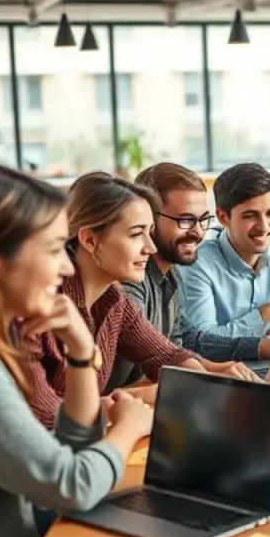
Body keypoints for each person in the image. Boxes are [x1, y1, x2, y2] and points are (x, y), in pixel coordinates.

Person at [0, 164, 153, 537]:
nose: (66, 268)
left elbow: (72, 448)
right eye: (51, 250)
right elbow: (73, 484)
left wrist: (81, 353)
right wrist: (128, 428)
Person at [21, 172, 206, 429]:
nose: (150, 248)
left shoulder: (114, 298)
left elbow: (164, 354)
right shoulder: (38, 309)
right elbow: (45, 417)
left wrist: (198, 378)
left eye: (150, 233)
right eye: (135, 234)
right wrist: (128, 400)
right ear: (89, 239)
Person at [108, 163, 270, 391]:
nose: (198, 232)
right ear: (150, 219)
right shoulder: (129, 280)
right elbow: (153, 353)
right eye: (185, 220)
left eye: (203, 220)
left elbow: (186, 341)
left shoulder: (171, 273)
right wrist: (208, 375)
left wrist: (223, 367)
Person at [178, 163, 270, 337]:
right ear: (223, 217)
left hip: (269, 361)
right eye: (250, 216)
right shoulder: (197, 264)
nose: (264, 227)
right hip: (219, 364)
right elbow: (205, 339)